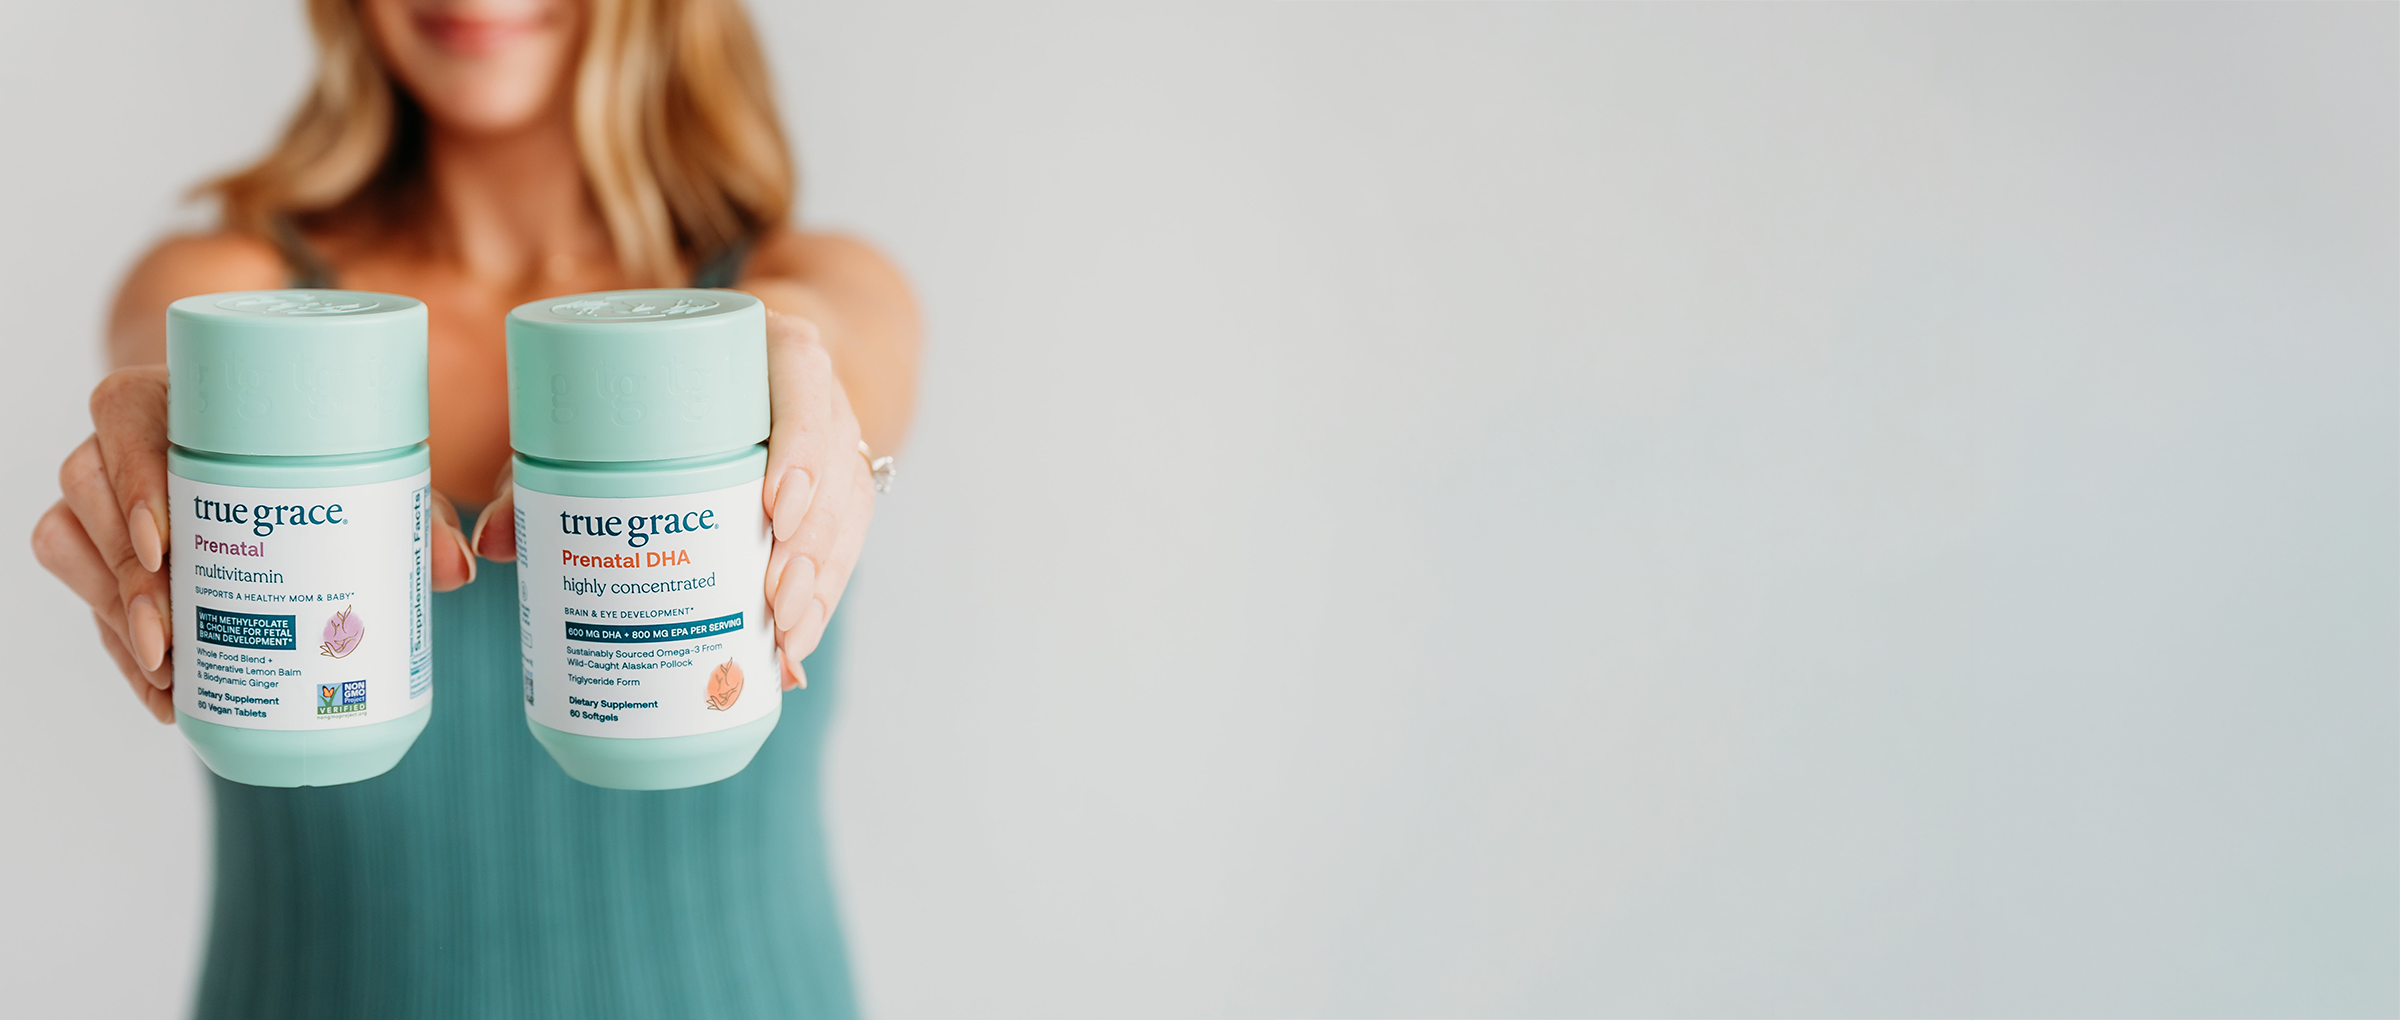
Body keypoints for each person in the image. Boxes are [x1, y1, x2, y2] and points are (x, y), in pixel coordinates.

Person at [27, 0, 918, 1016]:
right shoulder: (228, 284)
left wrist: (814, 390)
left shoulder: (799, 292)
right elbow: (163, 347)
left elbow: (847, 342)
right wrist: (156, 427)